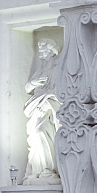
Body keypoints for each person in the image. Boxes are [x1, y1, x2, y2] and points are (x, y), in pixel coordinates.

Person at [23, 37, 61, 184]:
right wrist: (33, 83)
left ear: (52, 51)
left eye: (43, 49)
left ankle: (49, 169)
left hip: (49, 107)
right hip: (36, 108)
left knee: (41, 132)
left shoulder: (58, 67)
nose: (41, 52)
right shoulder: (42, 69)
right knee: (34, 135)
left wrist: (46, 100)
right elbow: (27, 88)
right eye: (39, 49)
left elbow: (61, 91)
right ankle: (37, 169)